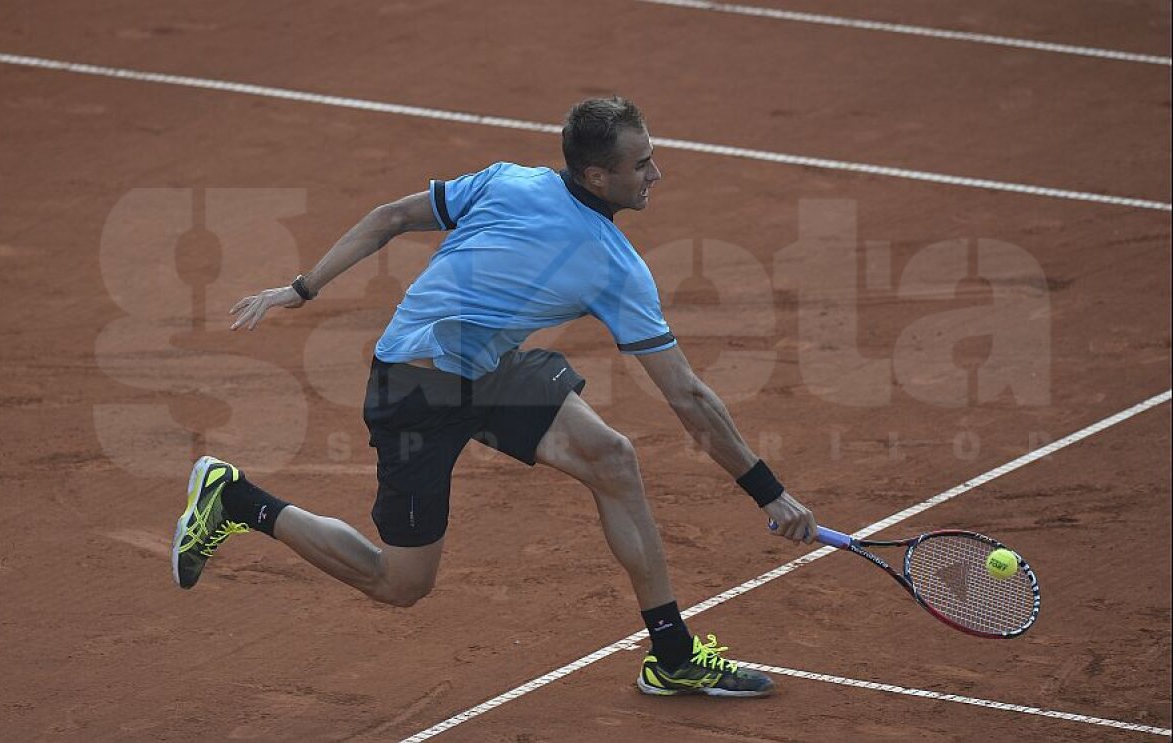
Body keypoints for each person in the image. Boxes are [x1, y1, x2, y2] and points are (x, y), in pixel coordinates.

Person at [172, 96, 817, 697]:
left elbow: (392, 216)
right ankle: (235, 497)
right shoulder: (608, 262)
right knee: (399, 584)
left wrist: (302, 288)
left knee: (612, 460)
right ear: (596, 176)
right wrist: (770, 492)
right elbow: (690, 400)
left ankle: (672, 657)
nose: (657, 174)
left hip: (487, 369)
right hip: (414, 389)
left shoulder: (516, 181)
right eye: (641, 163)